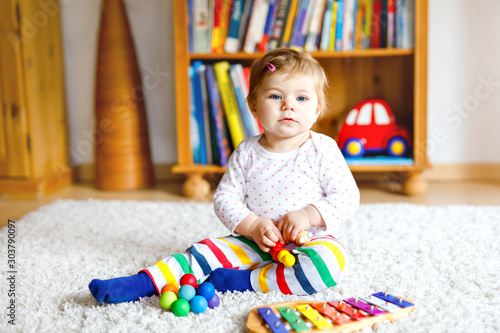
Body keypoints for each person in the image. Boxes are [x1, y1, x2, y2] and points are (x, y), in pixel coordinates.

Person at [89, 48, 359, 304]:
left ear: (317, 109)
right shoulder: (246, 152)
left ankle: (247, 281)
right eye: (276, 96)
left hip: (308, 240)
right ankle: (141, 283)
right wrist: (252, 226)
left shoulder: (322, 148)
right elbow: (225, 199)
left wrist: (308, 215)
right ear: (253, 105)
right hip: (254, 241)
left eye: (301, 98)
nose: (288, 106)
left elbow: (347, 196)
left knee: (330, 264)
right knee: (202, 252)